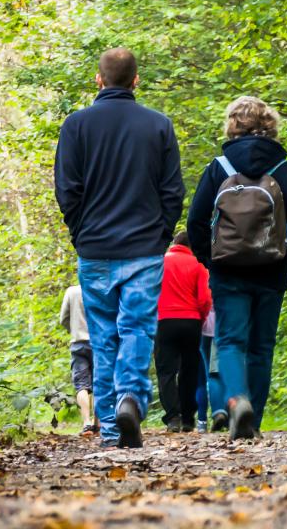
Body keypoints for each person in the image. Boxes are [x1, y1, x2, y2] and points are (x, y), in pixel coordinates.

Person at [55, 48, 185, 448]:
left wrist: (81, 232)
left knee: (104, 336)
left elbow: (67, 190)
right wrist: (161, 236)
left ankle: (111, 428)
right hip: (144, 249)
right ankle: (131, 397)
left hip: (95, 249)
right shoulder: (159, 126)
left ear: (99, 79)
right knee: (137, 329)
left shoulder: (75, 126)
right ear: (136, 80)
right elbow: (173, 191)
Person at [187, 96, 287, 440]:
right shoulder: (285, 170)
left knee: (231, 341)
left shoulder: (218, 168)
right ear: (270, 126)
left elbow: (195, 220)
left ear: (232, 125)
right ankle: (255, 419)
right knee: (261, 346)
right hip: (272, 268)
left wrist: (209, 259)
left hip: (228, 271)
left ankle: (238, 401)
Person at [154, 231, 211, 433]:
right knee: (189, 370)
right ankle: (188, 418)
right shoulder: (198, 265)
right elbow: (205, 299)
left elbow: (151, 291)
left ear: (174, 244)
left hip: (165, 321)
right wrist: (200, 318)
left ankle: (173, 416)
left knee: (166, 370)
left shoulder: (159, 263)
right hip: (191, 322)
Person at [60, 284, 99, 436]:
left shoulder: (72, 291)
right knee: (99, 382)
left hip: (78, 343)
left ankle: (86, 422)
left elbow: (63, 318)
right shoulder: (100, 289)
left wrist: (74, 330)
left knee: (82, 384)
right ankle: (98, 422)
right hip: (99, 343)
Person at [195, 308, 228, 433]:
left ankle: (203, 422)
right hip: (223, 326)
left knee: (203, 379)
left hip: (203, 328)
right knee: (219, 373)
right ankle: (224, 415)